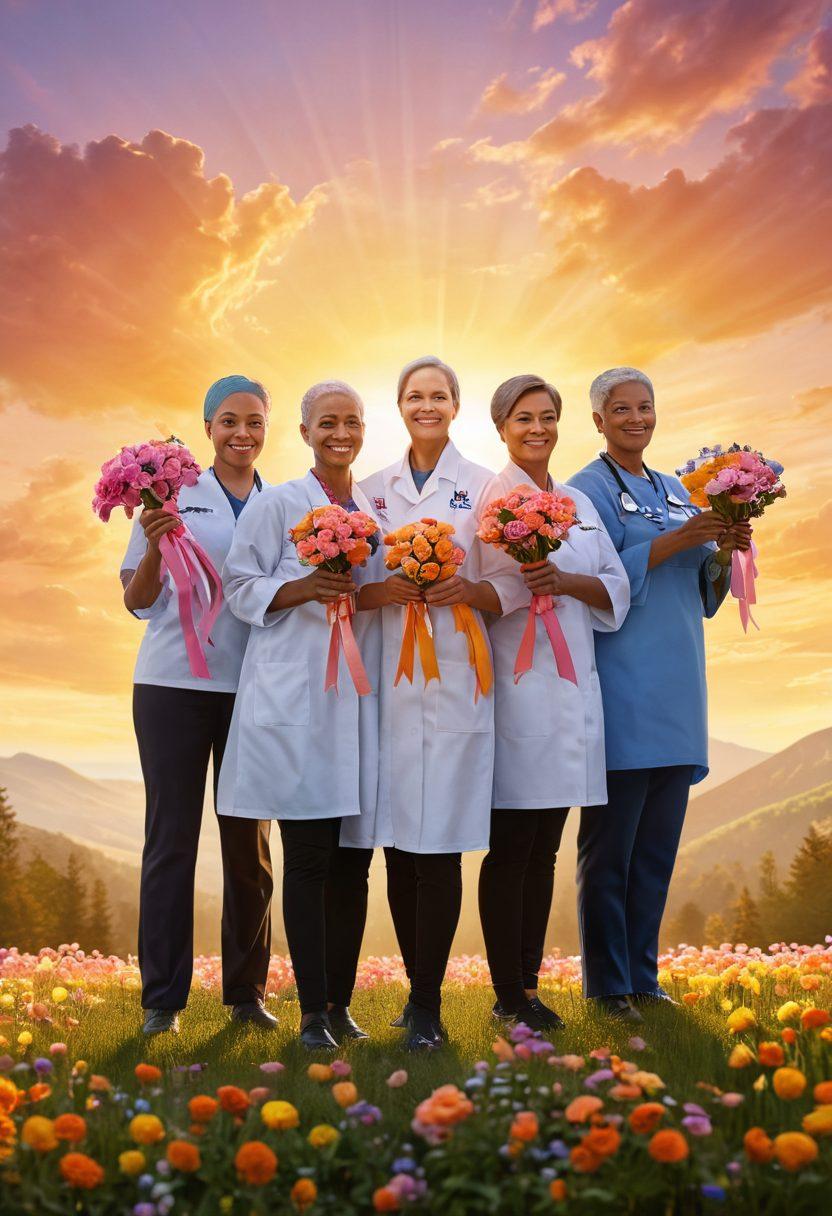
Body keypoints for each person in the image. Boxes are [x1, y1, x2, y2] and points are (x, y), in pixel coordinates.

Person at [568, 367, 751, 1021]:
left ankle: (644, 978)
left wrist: (724, 553)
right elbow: (590, 578)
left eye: (645, 407)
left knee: (655, 852)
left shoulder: (677, 488)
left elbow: (704, 596)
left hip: (679, 688)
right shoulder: (582, 493)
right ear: (598, 420)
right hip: (621, 685)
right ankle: (609, 987)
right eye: (621, 409)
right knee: (610, 849)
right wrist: (680, 538)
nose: (636, 419)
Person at [217, 381, 380, 1050]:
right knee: (309, 857)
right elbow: (239, 585)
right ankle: (313, 1013)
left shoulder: (370, 509)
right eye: (326, 422)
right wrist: (301, 586)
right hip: (296, 703)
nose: (340, 432)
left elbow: (360, 596)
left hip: (356, 703)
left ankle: (341, 1006)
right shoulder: (278, 503)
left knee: (354, 863)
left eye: (351, 421)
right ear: (306, 431)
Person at [121, 374, 275, 1036]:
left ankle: (245, 993)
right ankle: (163, 1001)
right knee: (172, 842)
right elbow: (136, 599)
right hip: (171, 689)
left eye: (255, 422)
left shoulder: (285, 504)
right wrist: (156, 544)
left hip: (256, 692)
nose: (242, 433)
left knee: (250, 848)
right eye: (229, 421)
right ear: (207, 427)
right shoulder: (171, 493)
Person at [477, 374, 630, 1031]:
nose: (537, 429)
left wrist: (564, 579)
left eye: (547, 417)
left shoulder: (577, 503)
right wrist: (525, 584)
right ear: (502, 427)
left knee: (545, 847)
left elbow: (614, 588)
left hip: (570, 690)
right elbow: (479, 587)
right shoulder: (489, 501)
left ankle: (528, 985)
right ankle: (509, 993)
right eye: (523, 418)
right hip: (516, 691)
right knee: (513, 843)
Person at [358, 355, 501, 1051]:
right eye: (415, 395)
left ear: (455, 405)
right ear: (400, 405)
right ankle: (415, 1000)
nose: (427, 405)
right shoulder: (369, 491)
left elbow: (511, 583)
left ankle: (427, 1002)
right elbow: (349, 582)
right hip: (390, 680)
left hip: (453, 675)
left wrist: (466, 591)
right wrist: (381, 590)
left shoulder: (485, 487)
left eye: (439, 395)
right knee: (399, 850)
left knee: (439, 844)